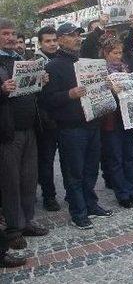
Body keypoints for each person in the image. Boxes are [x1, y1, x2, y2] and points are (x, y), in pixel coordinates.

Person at [41, 22, 112, 230]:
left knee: (91, 168)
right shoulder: (52, 66)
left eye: (78, 35)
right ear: (60, 39)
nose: (76, 38)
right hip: (70, 128)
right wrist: (69, 94)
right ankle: (78, 212)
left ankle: (90, 204)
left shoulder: (85, 62)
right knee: (74, 172)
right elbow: (46, 100)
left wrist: (103, 85)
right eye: (71, 35)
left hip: (91, 122)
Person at [0, 18, 50, 248]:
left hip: (30, 127)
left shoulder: (21, 59)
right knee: (11, 182)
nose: (10, 37)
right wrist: (1, 90)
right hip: (8, 133)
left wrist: (40, 81)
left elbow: (31, 91)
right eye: (5, 33)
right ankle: (13, 229)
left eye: (12, 33)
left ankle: (27, 221)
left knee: (29, 178)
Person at [100, 35, 133, 208]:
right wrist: (110, 90)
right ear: (105, 53)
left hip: (129, 116)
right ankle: (122, 194)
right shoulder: (102, 71)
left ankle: (132, 190)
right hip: (111, 120)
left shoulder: (125, 67)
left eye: (120, 52)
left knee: (129, 156)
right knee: (116, 158)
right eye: (114, 52)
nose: (118, 56)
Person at [34, 26, 61, 211]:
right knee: (46, 159)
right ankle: (49, 196)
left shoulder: (62, 58)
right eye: (47, 41)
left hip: (64, 116)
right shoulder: (35, 62)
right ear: (40, 43)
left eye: (54, 40)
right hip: (46, 119)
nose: (52, 44)